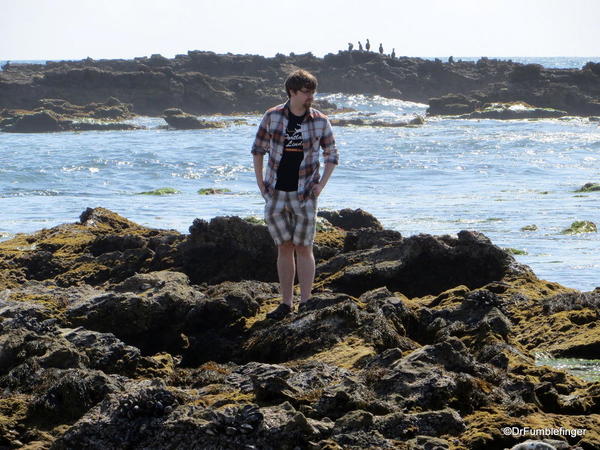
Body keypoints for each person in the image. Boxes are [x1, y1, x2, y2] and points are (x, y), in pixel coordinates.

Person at [251, 69, 339, 320]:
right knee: (284, 247)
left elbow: (332, 155)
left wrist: (321, 185)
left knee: (304, 247)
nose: (311, 96)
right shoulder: (272, 116)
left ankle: (306, 301)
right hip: (276, 192)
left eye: (313, 91)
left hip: (304, 194)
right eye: (306, 91)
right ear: (292, 92)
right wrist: (261, 184)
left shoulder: (320, 120)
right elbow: (258, 150)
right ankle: (286, 303)